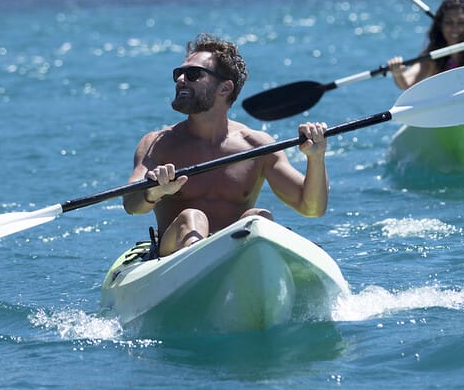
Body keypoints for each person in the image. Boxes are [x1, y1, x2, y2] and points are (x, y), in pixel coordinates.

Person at [123, 33, 328, 254]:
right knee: (192, 218)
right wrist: (153, 193)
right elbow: (131, 205)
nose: (181, 79)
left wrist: (315, 157)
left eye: (193, 74)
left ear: (225, 88)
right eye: (178, 73)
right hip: (172, 257)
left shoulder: (256, 146)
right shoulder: (157, 143)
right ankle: (200, 265)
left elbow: (312, 207)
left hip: (235, 257)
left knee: (259, 219)